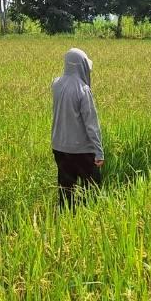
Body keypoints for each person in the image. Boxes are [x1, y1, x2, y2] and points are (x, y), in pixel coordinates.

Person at [50, 48, 105, 208]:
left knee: (66, 190)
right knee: (92, 191)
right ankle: (88, 217)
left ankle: (66, 217)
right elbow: (91, 125)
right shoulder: (83, 90)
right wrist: (99, 151)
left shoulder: (56, 84)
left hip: (59, 147)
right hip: (81, 149)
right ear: (82, 66)